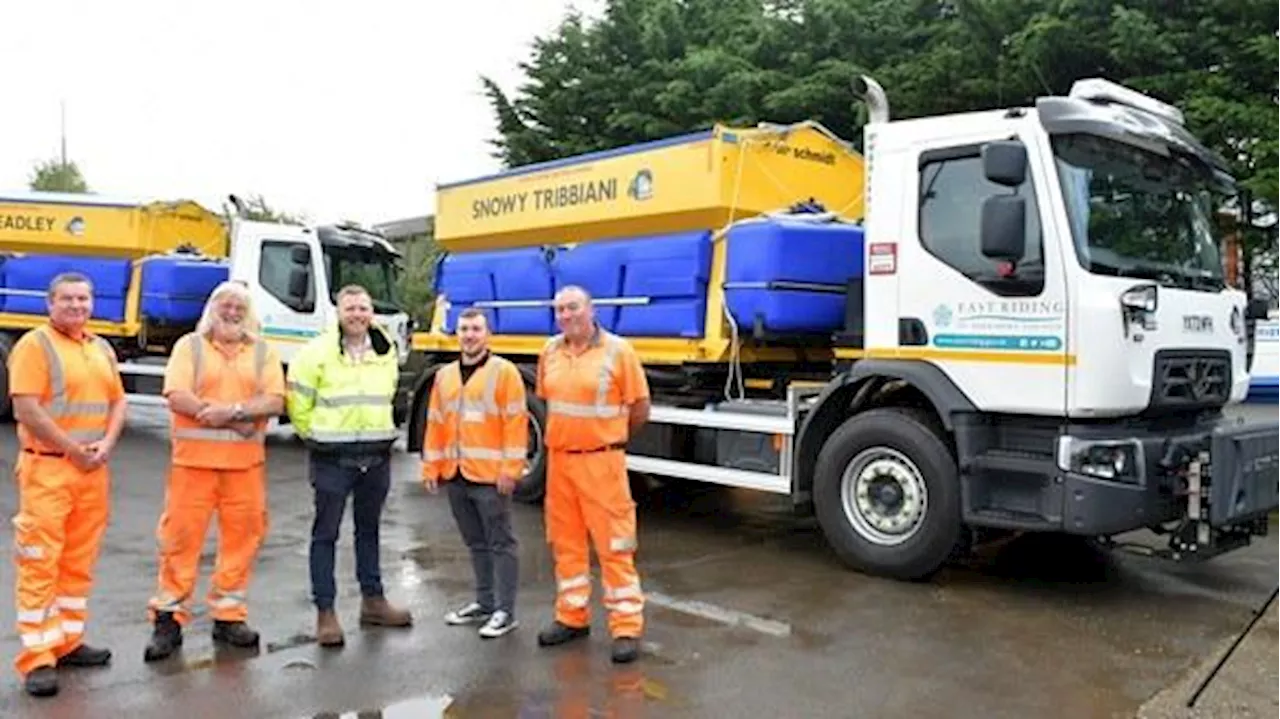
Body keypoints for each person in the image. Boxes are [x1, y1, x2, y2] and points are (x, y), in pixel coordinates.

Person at [142, 281, 285, 662]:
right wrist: (225, 416)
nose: (232, 311)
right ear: (212, 308)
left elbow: (274, 399)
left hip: (244, 467)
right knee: (179, 541)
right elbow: (176, 394)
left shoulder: (263, 352)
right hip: (193, 465)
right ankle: (168, 619)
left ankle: (229, 615)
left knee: (243, 540)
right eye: (225, 304)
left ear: (248, 312)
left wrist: (234, 413)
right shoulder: (189, 346)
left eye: (239, 306)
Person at [8, 272, 127, 697]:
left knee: (77, 561)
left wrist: (107, 444)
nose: (76, 306)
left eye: (83, 299)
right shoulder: (34, 346)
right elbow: (27, 408)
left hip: (92, 471)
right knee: (40, 561)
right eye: (67, 299)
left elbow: (117, 402)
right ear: (50, 303)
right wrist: (73, 449)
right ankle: (38, 656)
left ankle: (68, 641)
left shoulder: (100, 347)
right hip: (49, 469)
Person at [287, 284, 412, 647]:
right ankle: (326, 612)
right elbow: (297, 401)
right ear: (338, 313)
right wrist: (314, 436)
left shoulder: (386, 351)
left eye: (363, 308)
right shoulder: (315, 353)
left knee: (369, 531)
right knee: (325, 535)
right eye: (350, 308)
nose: (357, 314)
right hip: (332, 458)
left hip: (376, 457)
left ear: (371, 313)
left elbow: (387, 397)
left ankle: (373, 601)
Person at [535, 285, 650, 664]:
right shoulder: (550, 351)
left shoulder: (619, 351)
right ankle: (572, 616)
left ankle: (626, 627)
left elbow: (639, 408)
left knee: (614, 547)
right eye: (560, 310)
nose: (566, 316)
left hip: (602, 463)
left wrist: (609, 441)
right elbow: (549, 401)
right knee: (566, 544)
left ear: (591, 309)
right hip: (560, 463)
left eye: (573, 308)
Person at [421, 307, 528, 639]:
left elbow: (516, 423)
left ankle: (505, 611)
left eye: (476, 329)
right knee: (475, 543)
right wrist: (431, 466)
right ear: (457, 334)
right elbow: (436, 422)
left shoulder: (504, 373)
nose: (469, 335)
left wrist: (511, 470)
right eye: (464, 329)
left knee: (501, 543)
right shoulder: (445, 376)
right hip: (457, 475)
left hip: (489, 477)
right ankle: (484, 602)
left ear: (488, 334)